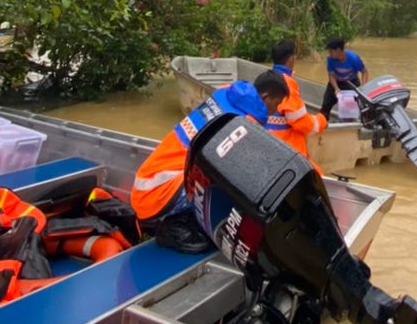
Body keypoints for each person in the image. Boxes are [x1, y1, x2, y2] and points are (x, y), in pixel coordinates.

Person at [131, 72, 288, 251]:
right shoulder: (245, 123)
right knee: (227, 182)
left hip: (149, 180)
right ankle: (172, 227)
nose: (276, 110)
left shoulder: (226, 92)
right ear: (265, 97)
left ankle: (187, 217)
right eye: (276, 103)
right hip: (155, 195)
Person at [269, 38, 328, 166]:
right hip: (286, 150)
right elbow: (301, 122)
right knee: (315, 172)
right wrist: (321, 121)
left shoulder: (266, 78)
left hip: (267, 143)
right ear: (291, 59)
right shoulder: (288, 84)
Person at [321, 36, 368, 118]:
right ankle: (323, 120)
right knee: (325, 106)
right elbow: (331, 76)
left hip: (351, 83)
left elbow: (364, 72)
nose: (329, 53)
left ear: (338, 50)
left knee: (352, 110)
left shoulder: (354, 58)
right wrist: (336, 88)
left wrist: (363, 87)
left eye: (331, 51)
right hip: (336, 82)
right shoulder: (330, 59)